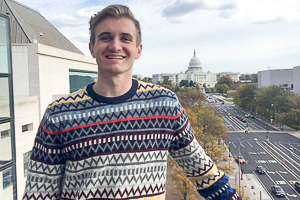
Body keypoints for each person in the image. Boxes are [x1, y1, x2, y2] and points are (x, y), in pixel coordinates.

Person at [23, 4, 241, 200]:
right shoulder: (59, 113)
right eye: (106, 37)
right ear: (92, 48)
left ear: (138, 50)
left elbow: (204, 174)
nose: (115, 46)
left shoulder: (164, 105)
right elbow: (39, 193)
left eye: (125, 38)